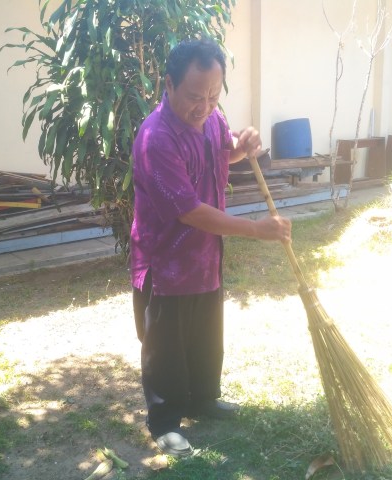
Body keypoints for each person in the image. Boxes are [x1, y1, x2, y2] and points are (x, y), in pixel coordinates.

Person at [130, 38, 292, 457]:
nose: (204, 106)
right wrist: (255, 230)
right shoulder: (156, 139)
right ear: (168, 84)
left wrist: (246, 146)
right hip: (165, 263)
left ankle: (204, 397)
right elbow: (191, 211)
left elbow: (225, 153)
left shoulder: (213, 119)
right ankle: (164, 421)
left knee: (205, 335)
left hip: (204, 258)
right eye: (194, 96)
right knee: (166, 345)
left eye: (213, 95)